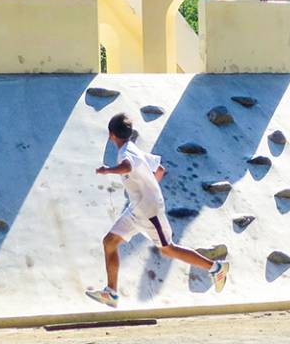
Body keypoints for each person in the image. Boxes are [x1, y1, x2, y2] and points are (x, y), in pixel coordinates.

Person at [86, 113, 228, 307]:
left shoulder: (125, 154)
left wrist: (108, 170)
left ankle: (216, 267)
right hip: (137, 208)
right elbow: (159, 169)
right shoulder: (133, 148)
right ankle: (111, 292)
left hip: (150, 212)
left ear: (111, 135)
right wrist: (149, 187)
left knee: (168, 249)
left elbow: (127, 166)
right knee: (109, 242)